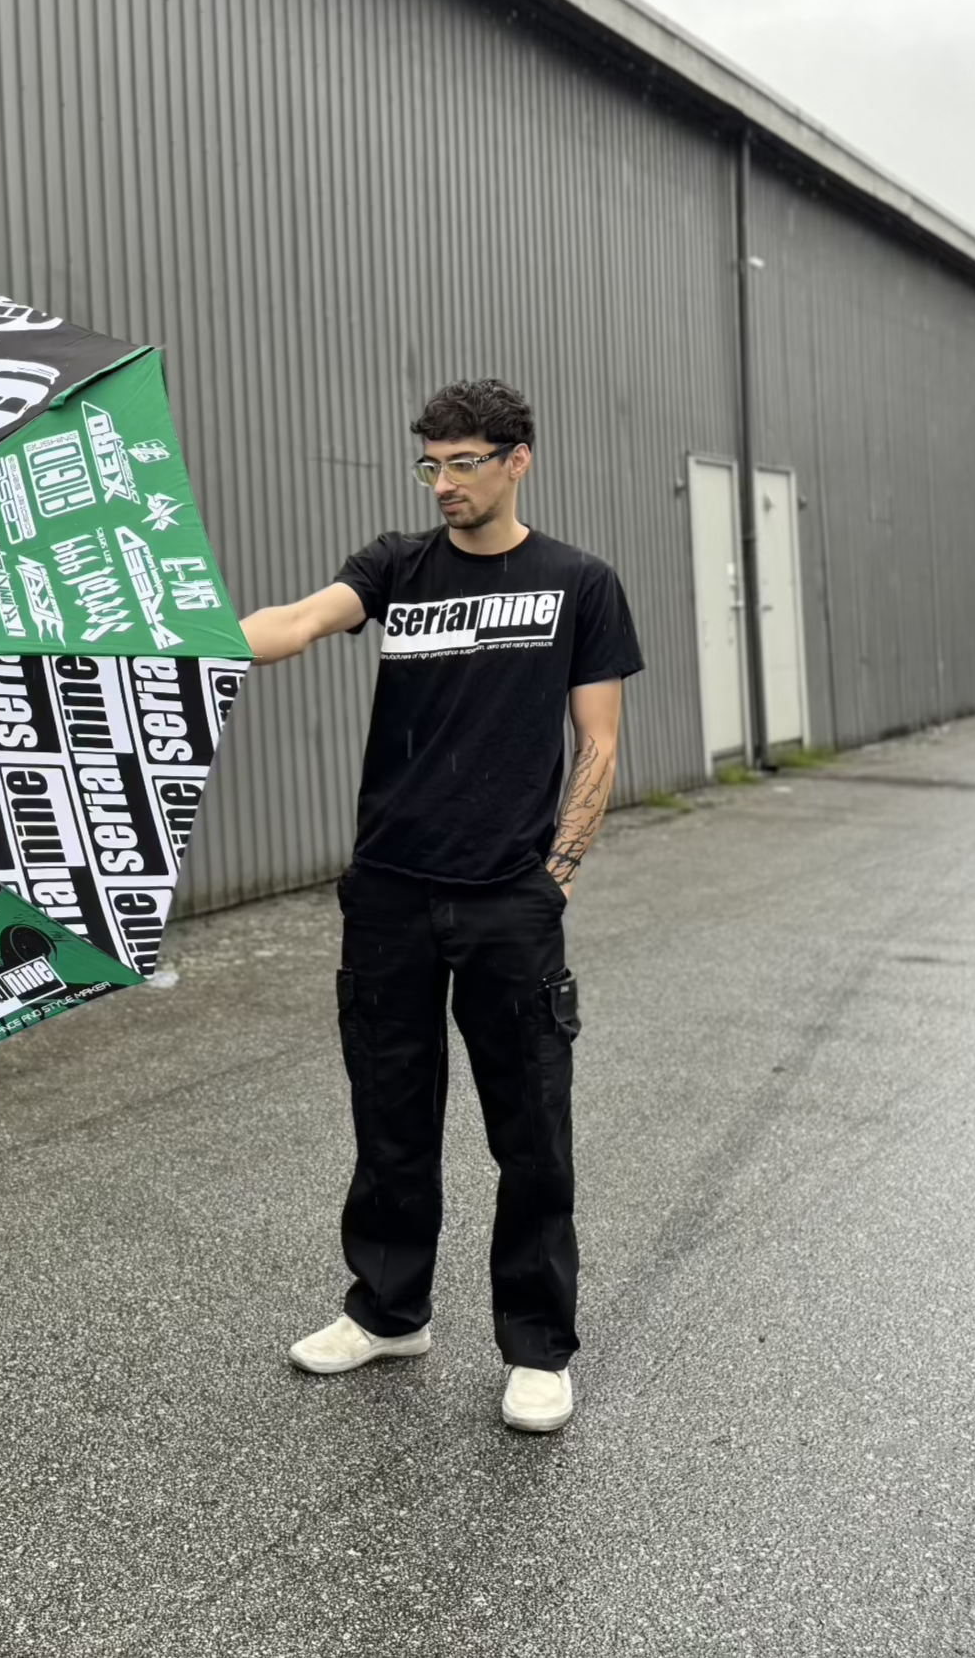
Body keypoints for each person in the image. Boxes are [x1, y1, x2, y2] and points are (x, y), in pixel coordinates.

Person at [240, 378, 643, 1433]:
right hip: (389, 892)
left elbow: (598, 741)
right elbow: (296, 623)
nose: (444, 484)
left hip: (509, 897)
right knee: (389, 1115)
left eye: (464, 463)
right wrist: (185, 638)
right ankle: (387, 1310)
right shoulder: (396, 566)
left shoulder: (578, 583)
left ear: (517, 460)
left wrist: (556, 872)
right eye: (430, 464)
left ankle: (537, 1347)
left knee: (530, 1131)